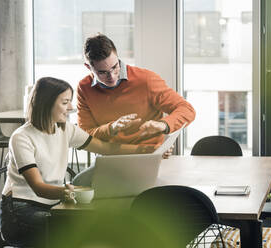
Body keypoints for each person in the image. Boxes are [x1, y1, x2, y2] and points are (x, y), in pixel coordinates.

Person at [0, 77, 155, 247]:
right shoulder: (22, 137)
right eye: (65, 102)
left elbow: (105, 148)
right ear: (46, 103)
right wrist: (68, 192)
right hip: (19, 212)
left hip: (54, 206)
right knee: (77, 231)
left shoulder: (66, 129)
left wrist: (146, 150)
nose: (71, 108)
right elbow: (38, 188)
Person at [73, 34, 196, 185]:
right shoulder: (84, 88)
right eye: (102, 72)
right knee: (79, 183)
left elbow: (187, 109)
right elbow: (86, 135)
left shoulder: (145, 80)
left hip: (149, 159)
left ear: (118, 58)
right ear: (88, 67)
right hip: (110, 160)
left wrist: (163, 125)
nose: (111, 76)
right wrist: (111, 128)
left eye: (115, 67)